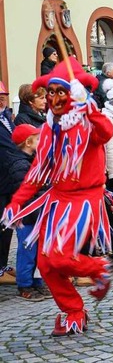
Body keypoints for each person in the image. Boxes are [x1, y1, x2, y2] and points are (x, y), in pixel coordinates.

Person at [1, 58, 113, 336]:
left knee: (61, 257)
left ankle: (97, 267)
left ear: (73, 93)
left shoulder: (87, 120)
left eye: (59, 91)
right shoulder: (51, 129)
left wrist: (90, 108)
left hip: (85, 199)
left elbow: (106, 133)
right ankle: (74, 310)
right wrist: (16, 204)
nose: (52, 98)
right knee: (46, 262)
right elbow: (37, 173)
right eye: (49, 92)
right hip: (58, 199)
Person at [5, 124, 52, 301]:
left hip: (37, 213)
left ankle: (37, 283)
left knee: (38, 250)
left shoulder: (32, 160)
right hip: (27, 215)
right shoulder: (19, 165)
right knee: (27, 251)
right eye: (38, 139)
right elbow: (26, 192)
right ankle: (24, 285)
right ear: (28, 142)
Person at [0, 81, 17, 285]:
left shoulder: (8, 118)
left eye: (4, 94)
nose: (2, 97)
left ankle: (3, 265)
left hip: (9, 180)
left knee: (7, 225)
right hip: (2, 179)